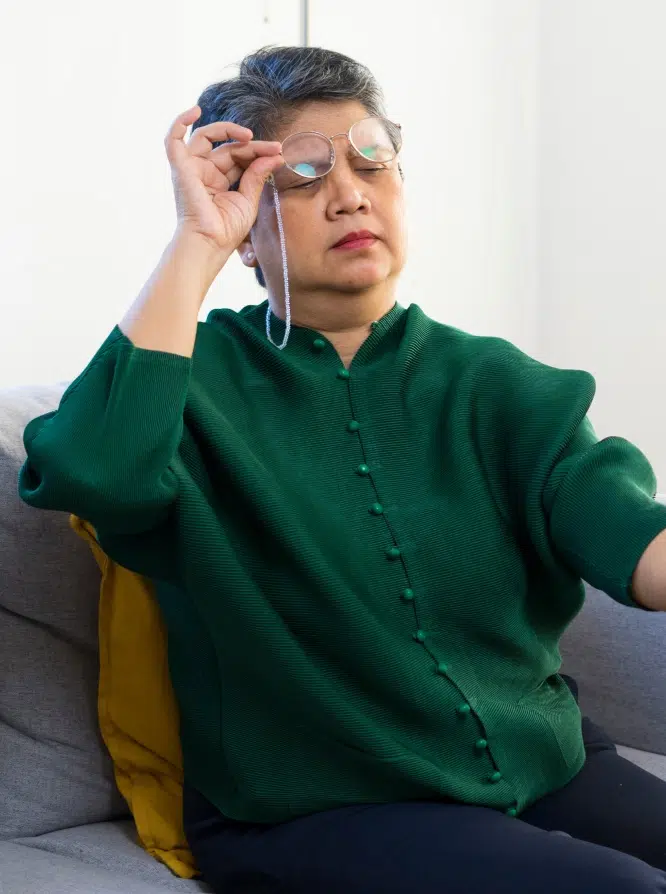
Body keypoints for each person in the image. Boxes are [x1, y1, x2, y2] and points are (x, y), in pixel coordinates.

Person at [17, 45, 666, 894]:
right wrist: (196, 241)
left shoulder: (501, 384)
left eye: (372, 163)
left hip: (546, 763)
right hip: (318, 806)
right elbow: (93, 476)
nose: (350, 194)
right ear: (246, 229)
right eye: (301, 176)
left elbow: (627, 534)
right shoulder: (185, 384)